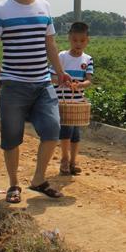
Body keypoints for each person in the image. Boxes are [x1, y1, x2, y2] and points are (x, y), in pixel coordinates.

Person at [0, 0, 71, 203]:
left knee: (52, 130)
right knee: (11, 137)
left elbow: (50, 43)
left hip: (43, 83)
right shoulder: (1, 9)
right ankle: (13, 184)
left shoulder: (44, 7)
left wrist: (60, 71)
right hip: (13, 84)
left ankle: (38, 180)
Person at [51, 21, 93, 176]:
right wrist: (63, 81)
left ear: (87, 40)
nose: (78, 44)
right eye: (75, 40)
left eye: (82, 40)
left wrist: (80, 85)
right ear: (69, 38)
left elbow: (88, 81)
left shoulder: (88, 59)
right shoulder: (61, 57)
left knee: (76, 133)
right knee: (66, 130)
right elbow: (52, 76)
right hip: (63, 101)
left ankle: (73, 161)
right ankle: (64, 159)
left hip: (78, 102)